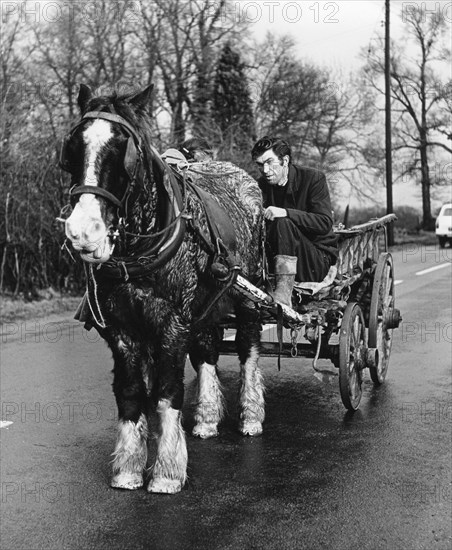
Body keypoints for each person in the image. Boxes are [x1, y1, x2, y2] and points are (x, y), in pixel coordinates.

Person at [251, 136, 338, 306]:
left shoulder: (313, 178)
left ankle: (284, 292)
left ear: (285, 160)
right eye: (260, 165)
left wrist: (285, 213)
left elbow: (324, 222)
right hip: (273, 260)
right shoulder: (259, 186)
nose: (266, 170)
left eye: (270, 162)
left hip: (315, 259)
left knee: (282, 222)